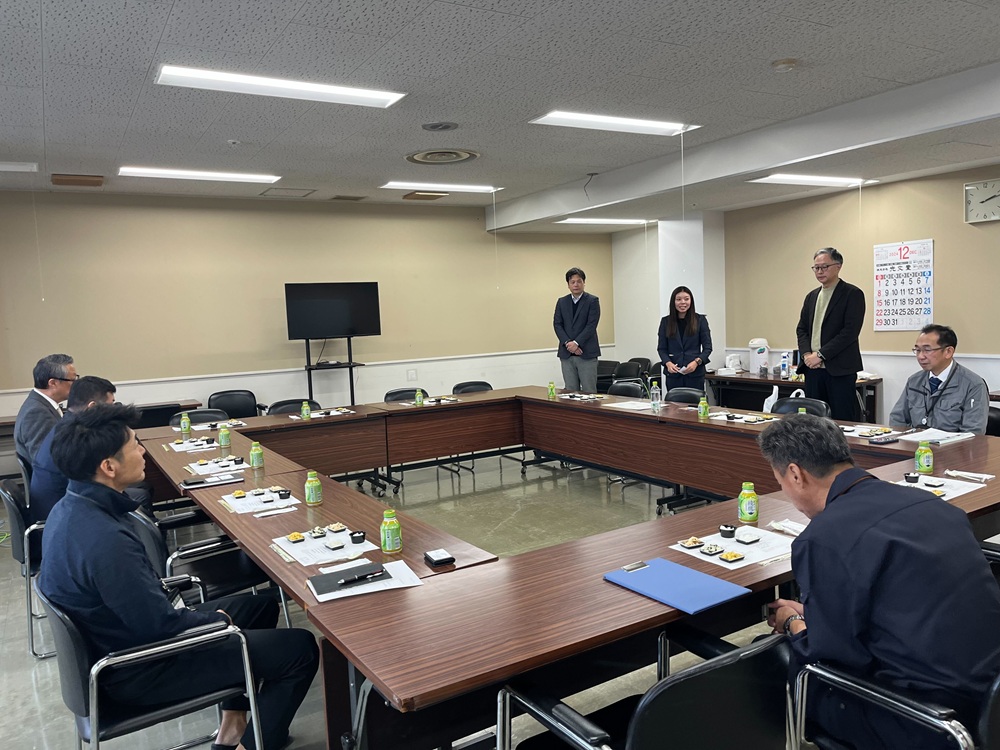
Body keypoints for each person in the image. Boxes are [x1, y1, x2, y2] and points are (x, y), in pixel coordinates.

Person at [38, 403, 318, 750]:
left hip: (121, 642)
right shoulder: (104, 539)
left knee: (259, 607)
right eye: (135, 446)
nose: (143, 452)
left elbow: (143, 608)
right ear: (108, 466)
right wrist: (215, 621)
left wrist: (212, 619)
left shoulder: (71, 508)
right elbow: (157, 625)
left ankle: (233, 726)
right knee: (300, 649)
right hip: (139, 668)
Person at [759, 414, 1000, 748]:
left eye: (780, 481)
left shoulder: (824, 537)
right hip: (990, 692)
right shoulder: (928, 502)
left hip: (929, 720)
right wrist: (816, 611)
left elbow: (829, 656)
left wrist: (792, 622)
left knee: (775, 663)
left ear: (796, 474)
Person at [30, 375, 154, 525]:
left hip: (61, 508)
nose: (114, 410)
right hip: (63, 515)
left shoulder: (68, 427)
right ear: (93, 407)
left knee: (140, 486)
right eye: (111, 405)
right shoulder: (78, 439)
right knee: (138, 494)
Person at [795, 248, 865, 420]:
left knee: (842, 420)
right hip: (813, 370)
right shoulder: (811, 296)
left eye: (824, 267)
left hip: (839, 370)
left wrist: (820, 355)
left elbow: (849, 332)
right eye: (816, 268)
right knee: (814, 421)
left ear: (838, 266)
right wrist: (806, 355)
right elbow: (801, 329)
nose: (820, 271)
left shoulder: (852, 294)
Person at [889, 324, 989, 434]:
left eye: (927, 350)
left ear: (948, 352)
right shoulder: (914, 381)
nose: (921, 356)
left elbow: (973, 432)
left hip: (952, 445)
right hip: (914, 443)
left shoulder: (973, 385)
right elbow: (897, 419)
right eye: (917, 350)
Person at [13, 353, 76, 463]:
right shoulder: (37, 412)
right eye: (72, 380)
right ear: (53, 383)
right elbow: (46, 460)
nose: (76, 384)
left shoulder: (40, 404)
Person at [553, 267, 601, 392]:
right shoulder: (562, 302)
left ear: (584, 283)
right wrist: (568, 343)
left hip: (587, 353)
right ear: (568, 285)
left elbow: (591, 325)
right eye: (572, 282)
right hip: (567, 353)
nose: (576, 284)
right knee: (570, 392)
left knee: (589, 392)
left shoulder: (592, 301)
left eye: (579, 281)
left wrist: (576, 343)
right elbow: (557, 324)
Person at [656, 286, 713, 391]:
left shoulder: (700, 320)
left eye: (686, 299)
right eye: (678, 299)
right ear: (673, 302)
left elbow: (708, 348)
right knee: (674, 401)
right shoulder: (665, 322)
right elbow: (662, 348)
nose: (683, 302)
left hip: (695, 374)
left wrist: (697, 362)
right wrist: (668, 363)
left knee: (695, 401)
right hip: (674, 375)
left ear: (691, 301)